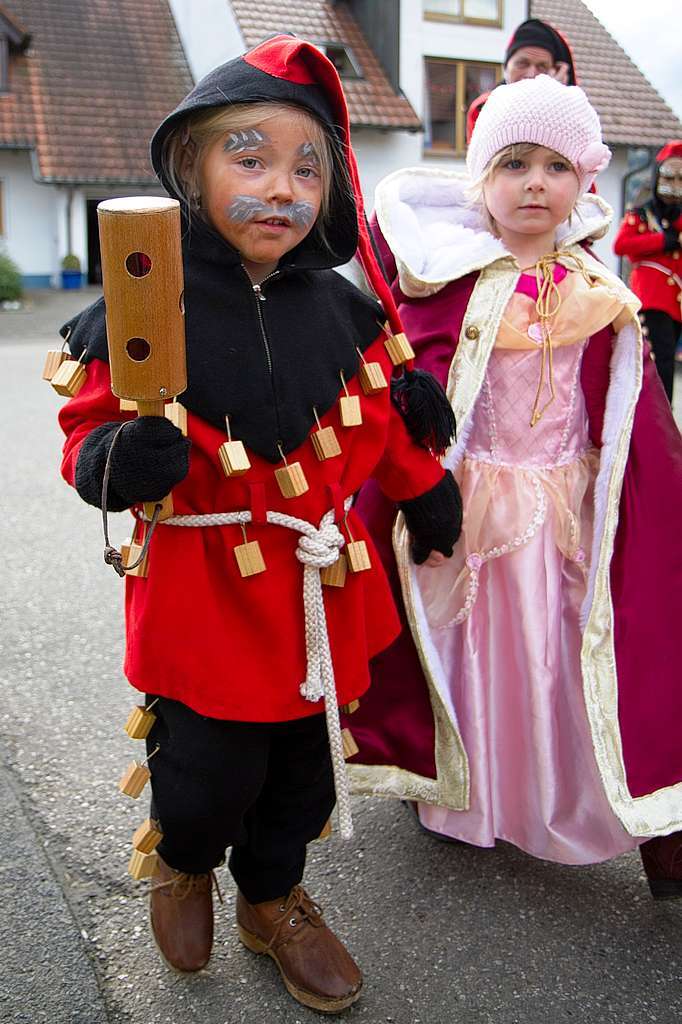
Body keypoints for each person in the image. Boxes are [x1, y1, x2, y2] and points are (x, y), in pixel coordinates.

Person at [55, 36, 461, 1012]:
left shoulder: (350, 317)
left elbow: (378, 423)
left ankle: (271, 898)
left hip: (323, 595)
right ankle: (186, 859)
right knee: (203, 773)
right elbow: (86, 432)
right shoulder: (144, 306)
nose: (280, 186)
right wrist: (111, 462)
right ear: (190, 170)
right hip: (204, 595)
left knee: (302, 778)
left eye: (306, 167)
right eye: (250, 157)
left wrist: (422, 484)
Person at [347, 75, 682, 898]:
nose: (536, 182)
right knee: (473, 650)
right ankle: (471, 796)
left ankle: (561, 794)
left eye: (557, 166)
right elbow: (409, 381)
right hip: (471, 508)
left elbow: (627, 412)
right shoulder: (442, 279)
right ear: (480, 177)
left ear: (584, 180)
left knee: (563, 652)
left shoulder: (598, 289)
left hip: (567, 507)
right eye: (514, 163)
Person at [614, 141, 682, 402]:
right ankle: (659, 415)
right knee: (660, 361)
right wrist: (662, 242)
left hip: (675, 301)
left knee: (666, 361)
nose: (674, 185)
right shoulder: (643, 214)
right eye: (669, 177)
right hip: (653, 296)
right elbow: (621, 245)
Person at [466, 18, 576, 144]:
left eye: (542, 67)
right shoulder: (483, 108)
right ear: (506, 68)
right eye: (522, 64)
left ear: (555, 71)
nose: (531, 74)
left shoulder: (568, 108)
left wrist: (558, 98)